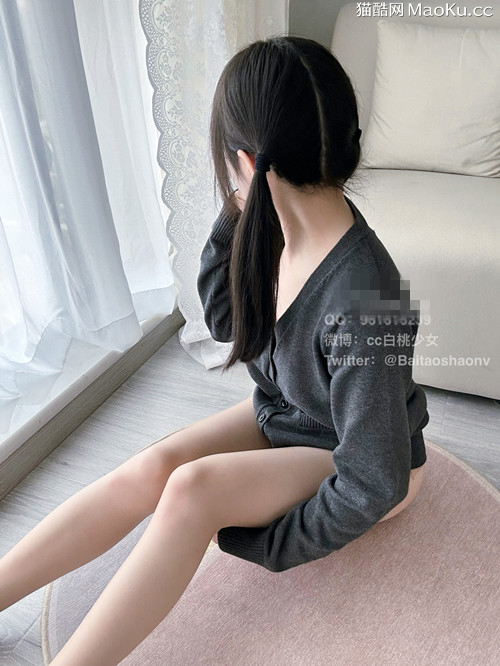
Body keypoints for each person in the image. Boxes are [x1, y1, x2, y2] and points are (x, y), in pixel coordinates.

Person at [0, 35, 430, 664]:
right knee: (155, 466)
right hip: (290, 416)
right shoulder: (272, 228)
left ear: (247, 161)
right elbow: (226, 320)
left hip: (360, 457)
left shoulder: (366, 296)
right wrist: (241, 209)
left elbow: (375, 479)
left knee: (192, 490)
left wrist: (267, 542)